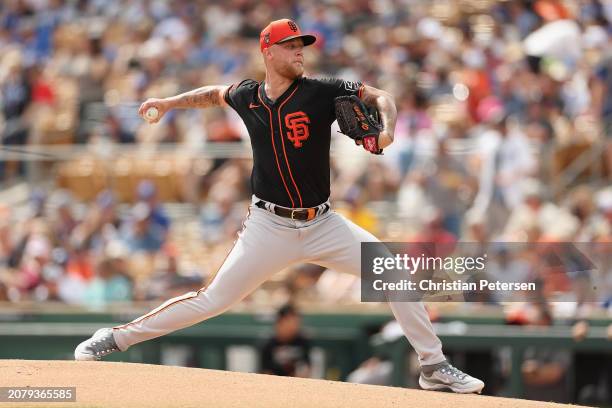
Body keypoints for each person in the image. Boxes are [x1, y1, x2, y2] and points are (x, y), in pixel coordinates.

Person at [74, 18, 484, 394]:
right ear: (268, 51)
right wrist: (167, 102)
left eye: (302, 45)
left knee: (392, 272)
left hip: (323, 224)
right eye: (290, 46)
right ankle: (117, 336)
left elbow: (382, 96)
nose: (300, 51)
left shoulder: (322, 90)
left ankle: (433, 365)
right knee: (212, 299)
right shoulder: (247, 95)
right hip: (269, 226)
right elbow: (212, 95)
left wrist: (388, 130)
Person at [260, 304, 311, 377]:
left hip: (297, 383)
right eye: (290, 321)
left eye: (296, 321)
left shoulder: (303, 341)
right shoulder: (268, 344)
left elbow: (307, 368)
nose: (294, 325)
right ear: (280, 322)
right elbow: (265, 372)